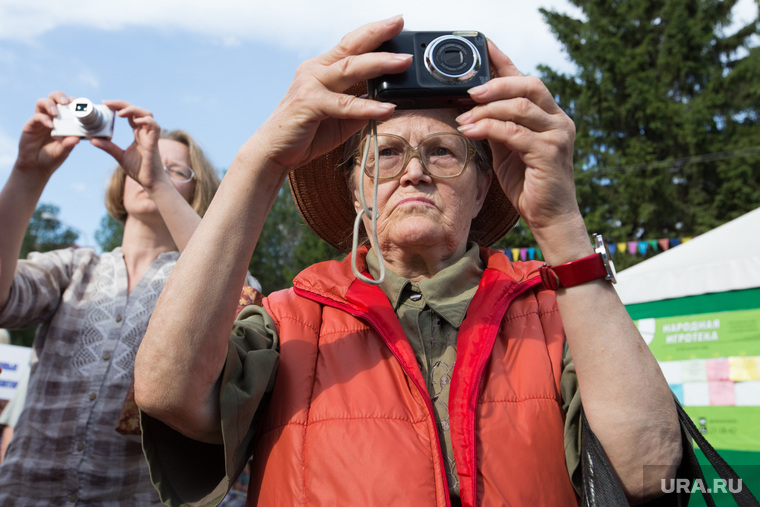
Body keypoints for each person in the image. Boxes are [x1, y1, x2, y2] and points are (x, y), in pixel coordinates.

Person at [134, 17, 683, 506]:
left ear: (481, 187)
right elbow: (168, 393)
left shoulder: (560, 315)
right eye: (387, 154)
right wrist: (263, 160)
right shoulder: (288, 321)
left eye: (443, 152)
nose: (414, 172)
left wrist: (561, 224)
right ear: (356, 192)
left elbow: (648, 470)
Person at [0, 92, 242, 505]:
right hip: (28, 491)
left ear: (197, 192)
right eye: (145, 163)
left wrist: (156, 181)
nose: (153, 171)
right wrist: (27, 173)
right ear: (119, 179)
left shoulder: (201, 281)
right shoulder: (74, 267)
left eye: (175, 170)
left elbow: (237, 298)